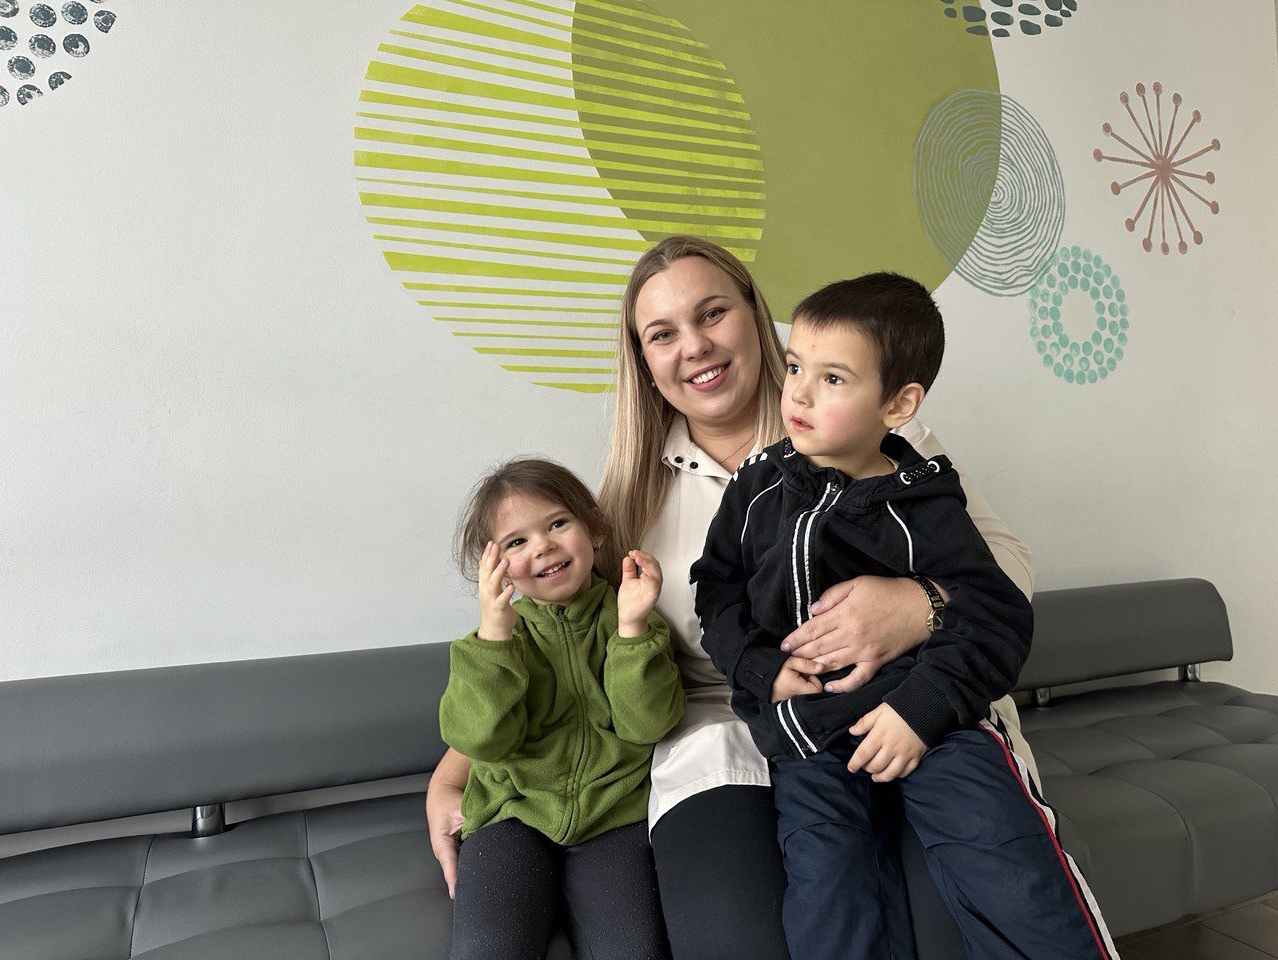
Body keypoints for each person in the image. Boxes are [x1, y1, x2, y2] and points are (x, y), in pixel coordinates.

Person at [427, 236, 1042, 959]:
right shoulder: (623, 503)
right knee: (738, 938)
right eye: (663, 334)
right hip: (716, 734)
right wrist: (452, 772)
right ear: (644, 360)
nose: (694, 346)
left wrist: (915, 604)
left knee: (951, 922)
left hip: (899, 711)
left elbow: (1007, 574)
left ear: (756, 315)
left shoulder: (870, 432)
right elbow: (562, 645)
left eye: (712, 313)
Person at [691, 274, 1119, 960]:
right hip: (812, 735)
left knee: (1011, 871)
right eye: (795, 367)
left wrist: (920, 711)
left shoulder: (924, 502)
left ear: (898, 403)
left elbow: (996, 616)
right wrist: (758, 667)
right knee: (828, 900)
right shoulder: (757, 487)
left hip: (932, 723)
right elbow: (716, 588)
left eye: (833, 378)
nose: (798, 393)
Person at [440, 458, 684, 960]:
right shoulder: (490, 644)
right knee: (488, 950)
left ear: (594, 530)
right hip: (511, 814)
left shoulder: (634, 619)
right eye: (516, 541)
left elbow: (648, 725)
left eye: (556, 524)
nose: (542, 546)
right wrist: (494, 637)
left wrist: (632, 630)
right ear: (493, 565)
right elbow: (478, 739)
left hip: (615, 816)